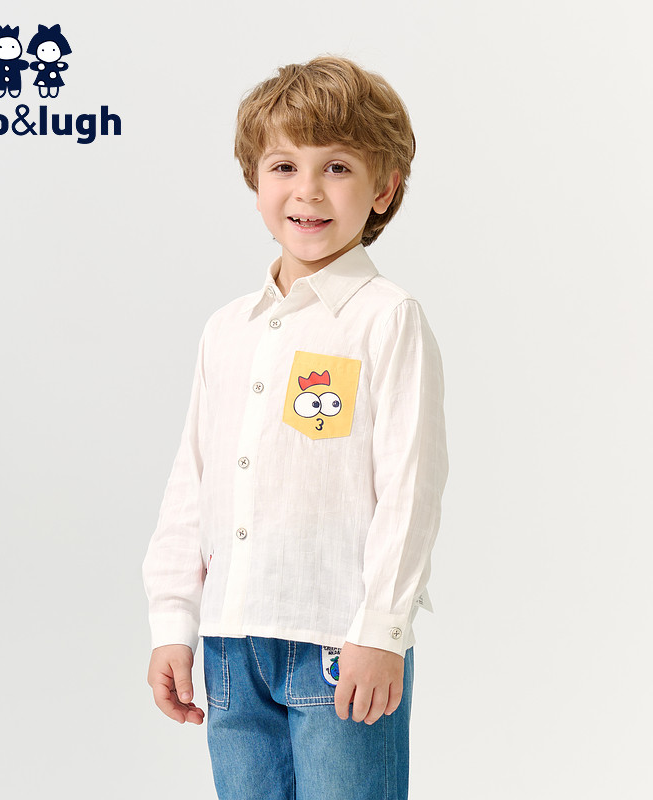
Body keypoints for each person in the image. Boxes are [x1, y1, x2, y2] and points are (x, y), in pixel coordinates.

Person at [142, 55, 449, 800]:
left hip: (338, 644)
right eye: (284, 165)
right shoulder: (227, 330)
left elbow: (410, 488)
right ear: (256, 182)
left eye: (337, 167)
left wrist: (383, 629)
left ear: (383, 188)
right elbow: (192, 484)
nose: (307, 190)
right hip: (230, 646)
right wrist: (173, 622)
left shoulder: (386, 320)